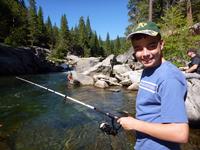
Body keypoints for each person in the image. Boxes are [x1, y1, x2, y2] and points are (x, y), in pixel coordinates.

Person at [117, 21, 189, 150]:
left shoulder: (169, 78)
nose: (145, 54)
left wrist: (135, 124)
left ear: (161, 44)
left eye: (151, 46)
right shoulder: (149, 68)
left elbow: (180, 134)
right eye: (138, 48)